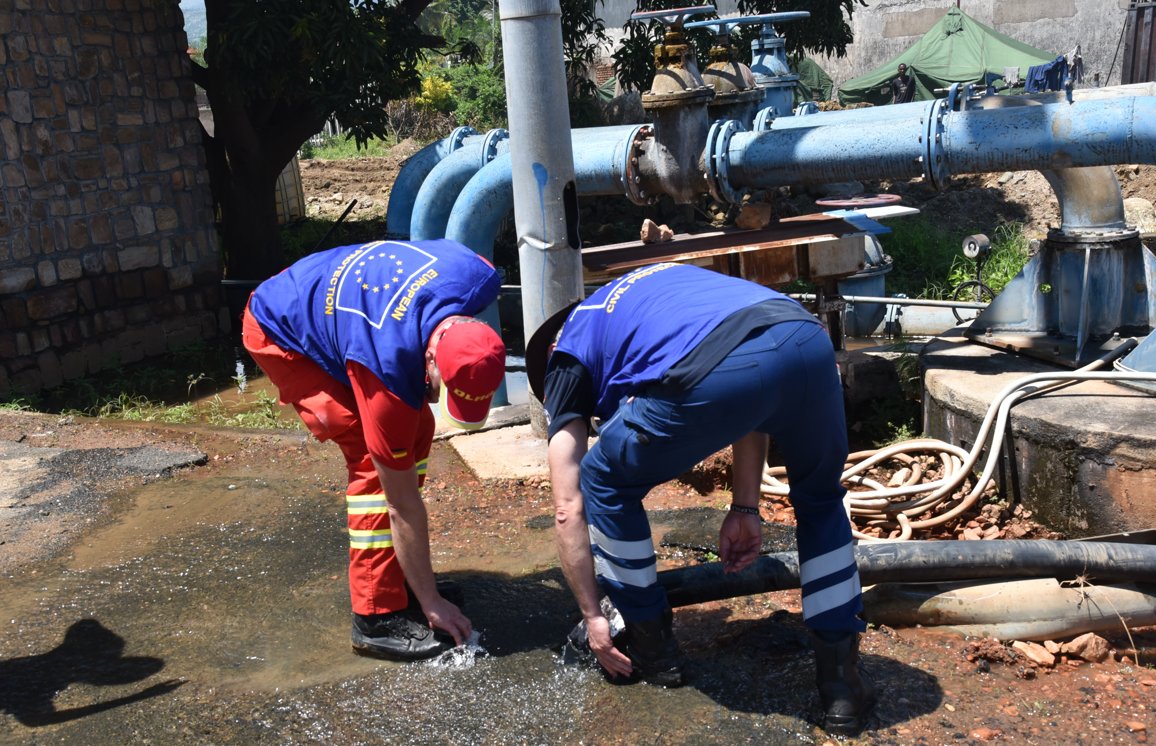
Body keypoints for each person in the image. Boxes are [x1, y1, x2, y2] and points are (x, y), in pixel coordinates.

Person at [525, 262, 874, 736]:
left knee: (602, 477)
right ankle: (842, 691)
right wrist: (744, 507)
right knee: (820, 501)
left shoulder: (566, 353)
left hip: (725, 363)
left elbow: (568, 506)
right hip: (805, 340)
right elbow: (753, 387)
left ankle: (653, 652)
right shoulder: (645, 296)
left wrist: (591, 616)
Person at [242, 238, 506, 661]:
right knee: (371, 460)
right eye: (445, 388)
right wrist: (432, 601)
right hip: (279, 325)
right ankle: (376, 615)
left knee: (418, 428)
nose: (440, 396)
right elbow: (401, 504)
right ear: (432, 359)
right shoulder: (386, 366)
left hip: (337, 297)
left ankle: (401, 578)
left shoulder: (477, 276)